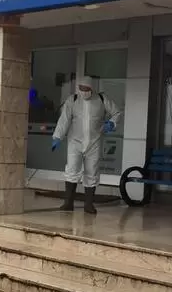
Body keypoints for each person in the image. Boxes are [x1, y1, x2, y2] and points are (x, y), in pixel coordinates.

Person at [52, 76, 121, 215]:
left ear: (92, 88)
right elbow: (64, 119)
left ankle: (89, 205)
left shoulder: (101, 99)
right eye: (81, 89)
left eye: (86, 89)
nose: (84, 92)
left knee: (92, 172)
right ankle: (68, 203)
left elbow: (117, 112)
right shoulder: (73, 100)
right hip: (74, 142)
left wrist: (112, 123)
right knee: (72, 170)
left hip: (94, 142)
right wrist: (57, 137)